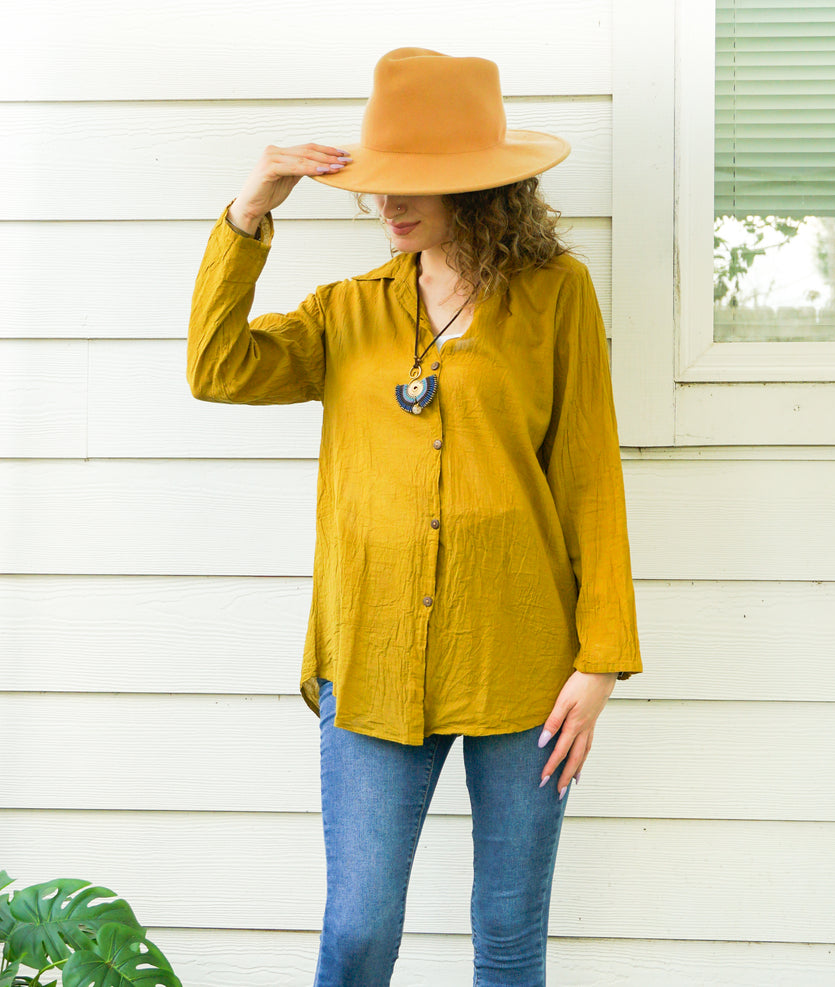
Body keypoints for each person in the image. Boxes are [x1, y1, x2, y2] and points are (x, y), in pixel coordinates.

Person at [187, 47, 642, 987]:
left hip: (522, 661)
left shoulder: (558, 297)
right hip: (374, 658)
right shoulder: (346, 312)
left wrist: (600, 661)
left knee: (509, 935)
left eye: (414, 186)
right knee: (358, 930)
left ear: (481, 190)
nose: (388, 204)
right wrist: (251, 205)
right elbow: (217, 367)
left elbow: (591, 477)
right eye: (381, 185)